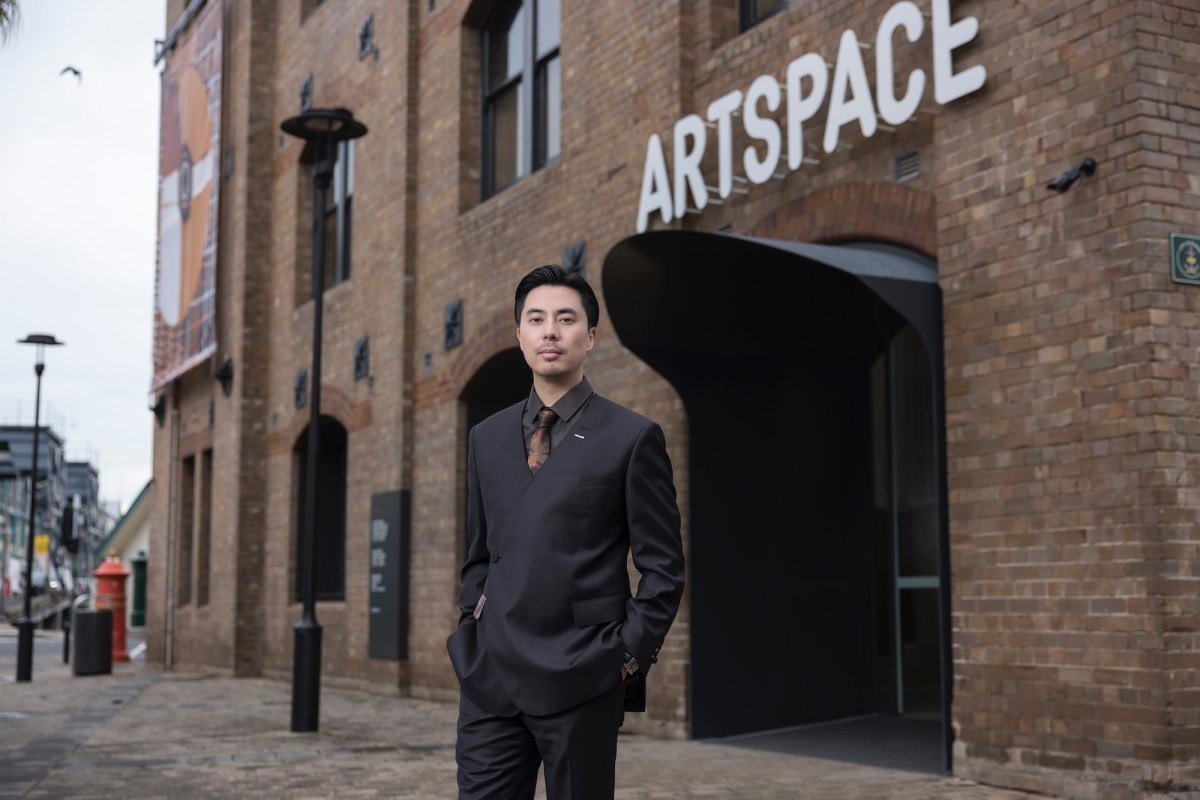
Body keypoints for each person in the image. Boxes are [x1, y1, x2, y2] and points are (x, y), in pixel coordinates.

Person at [446, 264, 686, 800]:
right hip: (491, 677)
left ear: (591, 336)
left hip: (583, 673)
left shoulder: (632, 437)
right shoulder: (486, 437)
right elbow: (479, 553)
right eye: (536, 319)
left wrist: (626, 656)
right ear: (519, 334)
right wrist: (471, 626)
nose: (549, 331)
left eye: (565, 319)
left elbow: (664, 569)